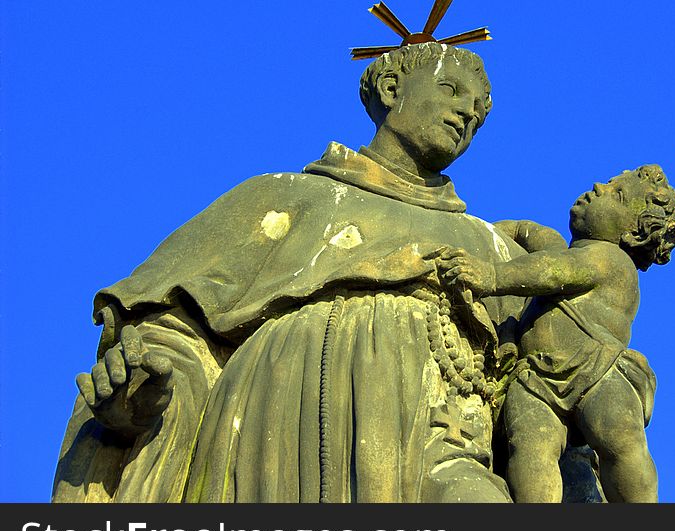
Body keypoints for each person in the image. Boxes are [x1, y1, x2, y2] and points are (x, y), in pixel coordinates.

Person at [52, 42, 525, 503]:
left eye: (480, 113)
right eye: (450, 89)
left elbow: (547, 393)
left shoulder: (492, 248)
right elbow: (174, 334)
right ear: (389, 87)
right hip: (272, 444)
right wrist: (145, 389)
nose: (468, 115)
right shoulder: (280, 198)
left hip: (444, 442)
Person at [434, 165, 675, 502]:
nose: (599, 186)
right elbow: (526, 232)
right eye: (608, 182)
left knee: (622, 445)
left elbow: (554, 272)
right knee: (531, 447)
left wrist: (492, 275)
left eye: (618, 193)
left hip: (597, 370)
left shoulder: (610, 259)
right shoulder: (560, 248)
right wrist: (484, 235)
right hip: (537, 377)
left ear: (634, 236)